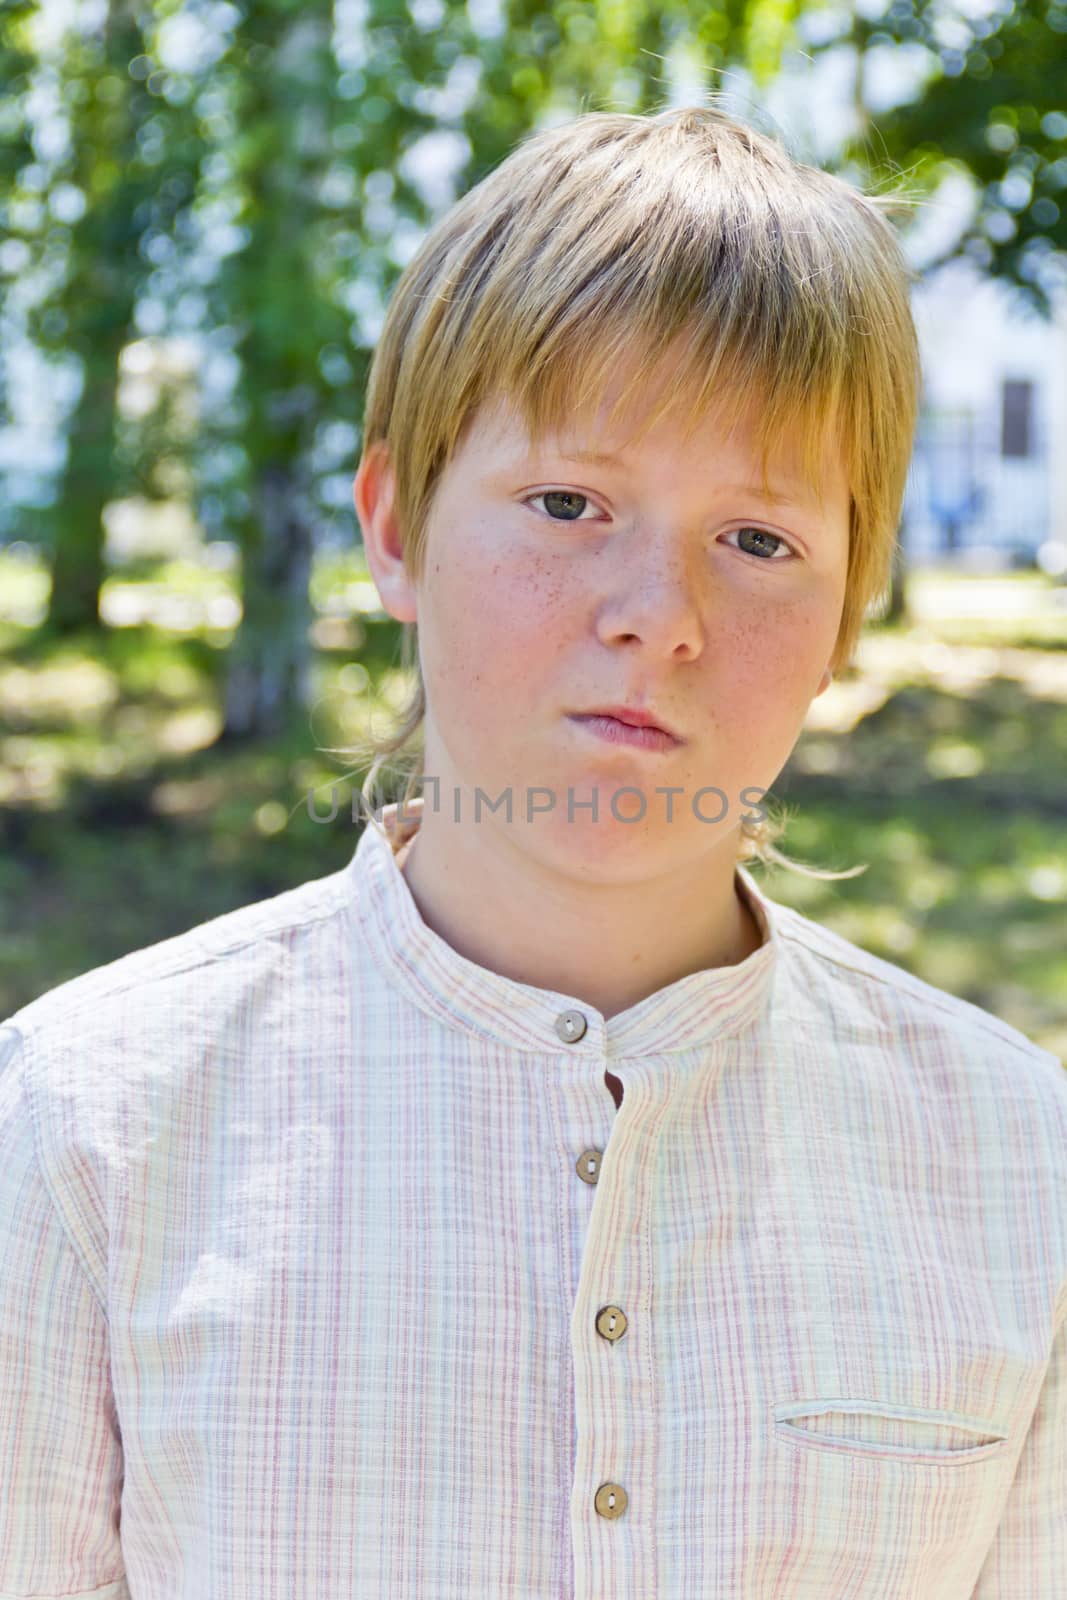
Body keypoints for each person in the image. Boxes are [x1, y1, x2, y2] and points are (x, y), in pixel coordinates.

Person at [1, 103, 1064, 1600]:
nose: (659, 615)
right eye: (568, 504)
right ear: (393, 530)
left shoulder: (1024, 1167)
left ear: (847, 609)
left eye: (758, 542)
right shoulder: (87, 1133)